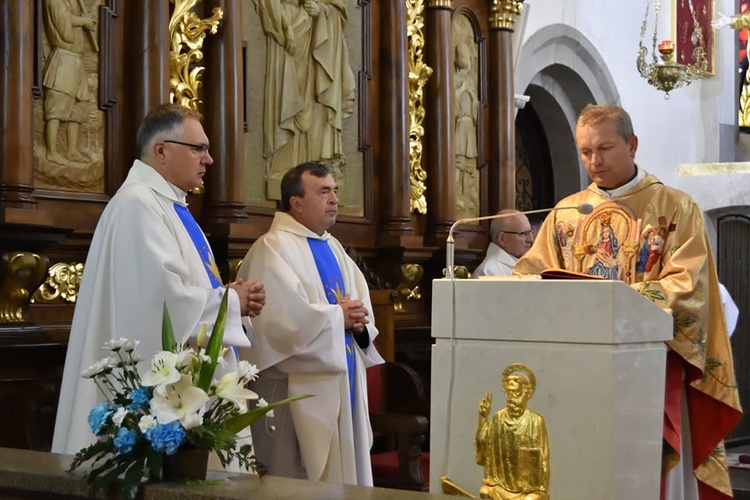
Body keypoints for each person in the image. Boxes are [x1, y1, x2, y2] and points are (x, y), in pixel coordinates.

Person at [514, 104, 741, 499]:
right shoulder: (566, 213)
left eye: (605, 148)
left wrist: (615, 299)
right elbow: (530, 277)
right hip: (578, 367)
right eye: (585, 151)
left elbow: (689, 286)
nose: (594, 161)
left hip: (651, 366)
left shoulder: (674, 208)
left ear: (632, 145)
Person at [51, 103, 266, 455]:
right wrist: (231, 302)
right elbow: (158, 304)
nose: (208, 160)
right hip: (157, 407)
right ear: (161, 150)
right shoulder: (138, 204)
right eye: (199, 149)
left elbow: (182, 291)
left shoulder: (171, 206)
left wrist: (228, 296)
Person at [235, 161, 384, 485]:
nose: (334, 200)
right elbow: (277, 325)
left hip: (341, 385)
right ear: (296, 203)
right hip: (292, 393)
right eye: (323, 192)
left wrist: (358, 324)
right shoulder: (272, 247)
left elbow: (360, 310)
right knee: (295, 482)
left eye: (335, 192)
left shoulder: (333, 247)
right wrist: (338, 317)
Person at [253, 0, 356, 200]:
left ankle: (318, 174)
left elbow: (338, 10)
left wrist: (323, 12)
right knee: (289, 98)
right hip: (289, 30)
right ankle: (286, 173)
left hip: (318, 40)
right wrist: (285, 23)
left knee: (317, 104)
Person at [475, 364, 549, 500]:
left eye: (516, 393)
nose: (511, 398)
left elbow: (543, 459)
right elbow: (483, 451)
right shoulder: (498, 419)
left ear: (526, 394)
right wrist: (483, 418)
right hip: (501, 488)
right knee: (485, 492)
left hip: (527, 491)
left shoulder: (536, 421)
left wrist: (542, 488)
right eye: (509, 393)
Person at [43, 0, 97, 165]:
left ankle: (71, 151)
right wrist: (83, 20)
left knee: (78, 107)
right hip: (64, 60)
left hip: (77, 60)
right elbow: (62, 23)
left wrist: (83, 20)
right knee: (56, 108)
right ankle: (51, 152)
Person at [473, 209, 534, 278]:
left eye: (531, 231)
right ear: (502, 239)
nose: (531, 239)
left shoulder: (526, 266)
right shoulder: (489, 271)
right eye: (523, 233)